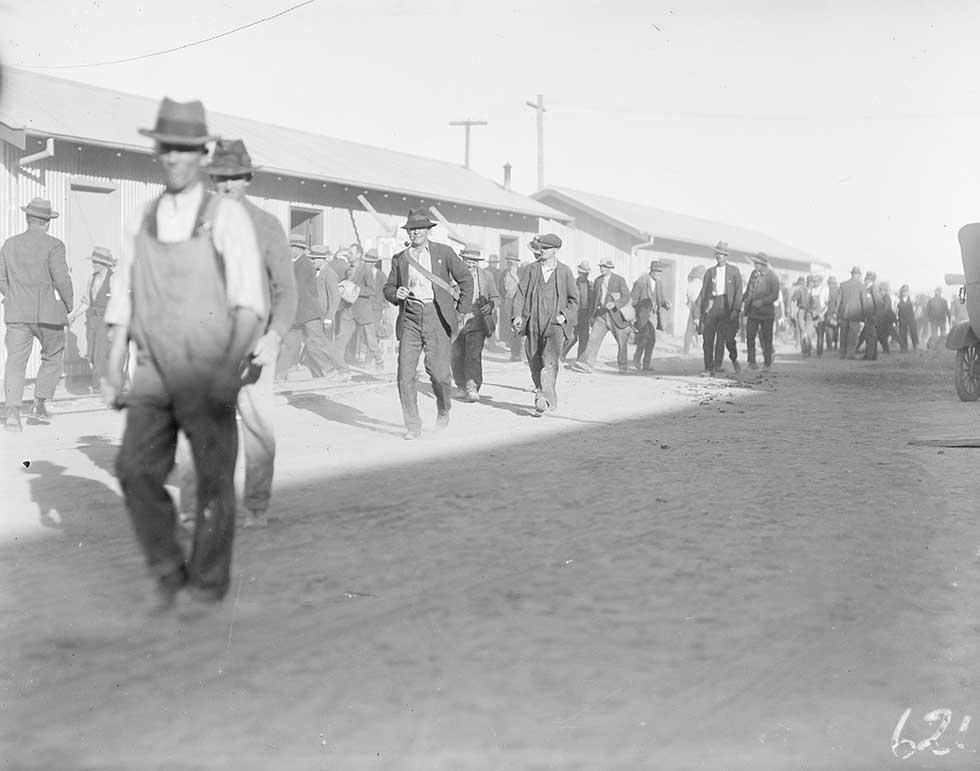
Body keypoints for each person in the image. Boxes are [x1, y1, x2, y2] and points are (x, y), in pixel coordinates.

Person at [102, 98, 267, 611]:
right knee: (133, 468)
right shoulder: (143, 217)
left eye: (184, 150)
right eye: (165, 149)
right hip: (153, 370)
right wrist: (113, 360)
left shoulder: (226, 217)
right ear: (158, 152)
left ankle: (209, 585)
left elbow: (249, 305)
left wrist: (228, 370)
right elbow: (125, 296)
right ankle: (170, 570)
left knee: (214, 482)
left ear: (200, 155)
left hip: (208, 369)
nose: (173, 158)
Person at [190, 138, 297, 529]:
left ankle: (255, 506)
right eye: (220, 178)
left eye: (235, 178)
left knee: (257, 429)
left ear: (247, 179)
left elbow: (286, 291)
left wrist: (276, 335)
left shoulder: (267, 228)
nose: (227, 185)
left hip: (254, 347)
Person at [383, 209, 473, 440]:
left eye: (420, 229)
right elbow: (388, 288)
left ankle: (444, 410)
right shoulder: (400, 258)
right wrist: (396, 293)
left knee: (440, 375)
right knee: (404, 375)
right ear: (408, 232)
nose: (416, 234)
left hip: (437, 317)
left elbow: (466, 280)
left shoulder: (444, 252)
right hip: (410, 318)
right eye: (412, 230)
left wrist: (461, 312)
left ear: (428, 231)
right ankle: (413, 425)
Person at [1, 197, 73, 431]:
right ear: (47, 222)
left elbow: (1, 278)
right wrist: (69, 304)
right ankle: (39, 405)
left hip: (17, 313)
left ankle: (12, 414)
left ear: (27, 218)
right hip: (47, 315)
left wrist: (14, 296)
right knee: (53, 356)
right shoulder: (54, 245)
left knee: (15, 363)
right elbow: (61, 278)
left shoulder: (9, 244)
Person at [512, 234, 579, 413]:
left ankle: (542, 397)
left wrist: (564, 316)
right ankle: (548, 396)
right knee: (534, 361)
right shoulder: (531, 269)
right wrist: (517, 316)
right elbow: (520, 293)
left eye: (545, 249)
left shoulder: (565, 271)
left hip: (555, 325)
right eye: (540, 248)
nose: (541, 251)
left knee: (549, 361)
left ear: (555, 251)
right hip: (533, 322)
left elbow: (574, 300)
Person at [276, 236, 349, 381]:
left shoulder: (305, 265)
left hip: (309, 314)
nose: (289, 250)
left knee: (317, 344)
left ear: (299, 249)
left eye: (292, 247)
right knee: (290, 345)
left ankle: (337, 370)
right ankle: (278, 376)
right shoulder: (295, 264)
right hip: (298, 315)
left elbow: (298, 290)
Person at [451, 243, 499, 401]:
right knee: (456, 355)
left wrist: (490, 305)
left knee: (473, 355)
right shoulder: (452, 274)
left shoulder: (486, 276)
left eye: (474, 261)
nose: (470, 263)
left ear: (478, 262)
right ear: (462, 259)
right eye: (467, 260)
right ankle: (460, 385)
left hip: (477, 321)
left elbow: (496, 297)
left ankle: (472, 388)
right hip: (456, 320)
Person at [67, 246, 116, 394]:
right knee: (92, 353)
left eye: (96, 262)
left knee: (100, 353)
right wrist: (73, 315)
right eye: (93, 261)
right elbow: (86, 302)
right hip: (92, 320)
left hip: (106, 320)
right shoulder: (92, 278)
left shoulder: (113, 278)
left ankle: (97, 387)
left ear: (104, 264)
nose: (93, 264)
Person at [570, 257, 631, 373]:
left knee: (622, 341)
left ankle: (623, 367)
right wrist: (591, 316)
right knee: (593, 339)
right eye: (601, 266)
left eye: (605, 267)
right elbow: (594, 300)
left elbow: (626, 296)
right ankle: (587, 364)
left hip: (616, 316)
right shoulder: (598, 281)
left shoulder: (619, 280)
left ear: (610, 268)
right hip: (601, 315)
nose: (602, 269)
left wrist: (615, 304)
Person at [334, 248, 386, 371]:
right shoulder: (346, 268)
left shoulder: (366, 270)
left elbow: (372, 290)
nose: (348, 255)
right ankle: (336, 363)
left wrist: (355, 290)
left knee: (371, 339)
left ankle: (379, 361)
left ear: (358, 255)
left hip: (363, 311)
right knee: (342, 337)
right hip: (348, 309)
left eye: (350, 253)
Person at [696, 241, 743, 376]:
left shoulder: (734, 271)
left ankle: (718, 365)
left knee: (722, 338)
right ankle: (708, 368)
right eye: (717, 254)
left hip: (726, 306)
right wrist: (700, 312)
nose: (718, 256)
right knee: (708, 338)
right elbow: (704, 293)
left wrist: (736, 310)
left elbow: (738, 293)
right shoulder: (710, 272)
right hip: (712, 304)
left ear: (726, 256)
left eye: (721, 254)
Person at [630, 259, 671, 371]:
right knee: (644, 338)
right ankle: (637, 359)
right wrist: (632, 316)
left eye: (660, 272)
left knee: (651, 339)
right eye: (657, 271)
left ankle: (646, 364)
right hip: (642, 314)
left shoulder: (659, 283)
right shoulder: (641, 282)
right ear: (651, 271)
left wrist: (666, 304)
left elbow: (661, 298)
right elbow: (633, 299)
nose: (659, 274)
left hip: (653, 315)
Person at [741, 252, 780, 369]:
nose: (755, 265)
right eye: (755, 263)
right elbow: (748, 290)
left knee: (767, 338)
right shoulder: (754, 274)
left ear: (763, 264)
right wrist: (741, 300)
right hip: (753, 312)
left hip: (766, 314)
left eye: (757, 263)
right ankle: (752, 362)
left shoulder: (772, 277)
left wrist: (762, 302)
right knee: (750, 336)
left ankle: (767, 363)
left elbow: (775, 295)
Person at [561, 260, 593, 362]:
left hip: (585, 314)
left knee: (584, 337)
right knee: (572, 337)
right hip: (574, 313)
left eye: (586, 273)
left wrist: (591, 315)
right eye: (582, 273)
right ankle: (561, 354)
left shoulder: (591, 285)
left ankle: (580, 359)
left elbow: (594, 301)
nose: (584, 275)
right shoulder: (573, 283)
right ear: (579, 273)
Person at [310, 245, 340, 338]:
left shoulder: (330, 273)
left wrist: (329, 318)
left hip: (324, 317)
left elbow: (335, 298)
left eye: (314, 259)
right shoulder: (316, 272)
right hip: (315, 316)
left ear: (322, 259)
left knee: (325, 346)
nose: (312, 261)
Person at [836, 266, 865, 359]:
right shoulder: (861, 286)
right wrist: (865, 315)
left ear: (851, 274)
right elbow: (864, 302)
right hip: (855, 314)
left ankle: (842, 353)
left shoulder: (843, 285)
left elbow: (837, 301)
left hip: (843, 313)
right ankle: (850, 354)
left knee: (843, 334)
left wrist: (837, 313)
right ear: (858, 275)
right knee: (853, 334)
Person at [499, 255, 524, 361]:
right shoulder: (504, 273)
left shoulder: (522, 272)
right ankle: (514, 352)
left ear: (517, 263)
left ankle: (517, 352)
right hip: (508, 301)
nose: (511, 264)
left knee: (517, 326)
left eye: (513, 262)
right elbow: (500, 287)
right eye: (509, 262)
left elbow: (523, 287)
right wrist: (504, 298)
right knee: (510, 326)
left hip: (519, 302)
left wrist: (515, 275)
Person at [857, 271, 880, 360]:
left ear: (870, 280)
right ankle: (872, 356)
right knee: (871, 336)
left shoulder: (873, 288)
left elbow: (878, 303)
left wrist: (875, 316)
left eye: (867, 279)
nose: (865, 280)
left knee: (870, 336)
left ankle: (869, 356)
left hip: (872, 317)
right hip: (869, 317)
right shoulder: (868, 288)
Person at [682, 266, 704, 355]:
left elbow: (689, 298)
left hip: (694, 307)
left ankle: (688, 348)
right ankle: (686, 350)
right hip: (696, 307)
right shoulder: (698, 285)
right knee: (691, 330)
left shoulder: (691, 284)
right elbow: (696, 299)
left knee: (691, 330)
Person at [895, 284, 918, 352]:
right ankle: (904, 346)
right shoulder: (898, 300)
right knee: (902, 332)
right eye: (903, 291)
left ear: (908, 292)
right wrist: (897, 317)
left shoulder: (912, 299)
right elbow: (896, 309)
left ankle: (915, 345)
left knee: (913, 331)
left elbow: (916, 307)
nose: (905, 293)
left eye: (906, 291)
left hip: (911, 318)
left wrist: (916, 314)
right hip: (902, 318)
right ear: (901, 292)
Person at [824, 275, 840, 352]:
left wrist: (835, 312)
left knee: (829, 329)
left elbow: (837, 302)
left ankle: (830, 345)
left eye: (830, 283)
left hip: (830, 313)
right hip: (834, 313)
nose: (830, 285)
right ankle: (835, 345)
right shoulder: (837, 291)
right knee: (835, 329)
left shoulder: (831, 291)